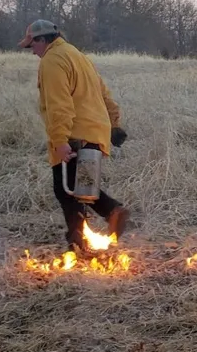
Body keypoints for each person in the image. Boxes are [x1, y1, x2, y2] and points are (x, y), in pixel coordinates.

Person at [18, 19, 130, 253]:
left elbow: (59, 105)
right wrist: (114, 123)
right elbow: (104, 93)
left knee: (66, 189)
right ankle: (85, 237)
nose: (33, 52)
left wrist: (60, 141)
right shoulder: (78, 56)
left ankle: (88, 234)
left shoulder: (52, 60)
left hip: (74, 134)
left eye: (32, 46)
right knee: (81, 189)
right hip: (94, 133)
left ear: (42, 39)